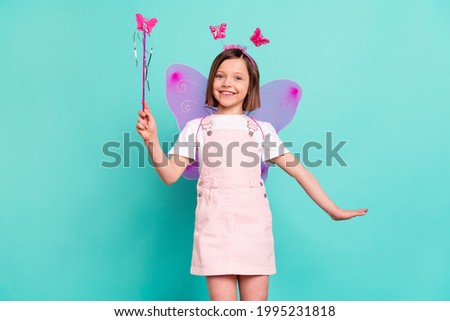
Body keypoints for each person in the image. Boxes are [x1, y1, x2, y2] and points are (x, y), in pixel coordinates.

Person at [136, 48, 368, 301]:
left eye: (238, 78)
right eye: (220, 76)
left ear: (251, 87)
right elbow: (170, 174)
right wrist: (152, 141)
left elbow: (299, 171)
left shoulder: (261, 130)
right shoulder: (197, 128)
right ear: (212, 81)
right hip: (214, 227)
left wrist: (332, 210)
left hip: (253, 229)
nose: (227, 83)